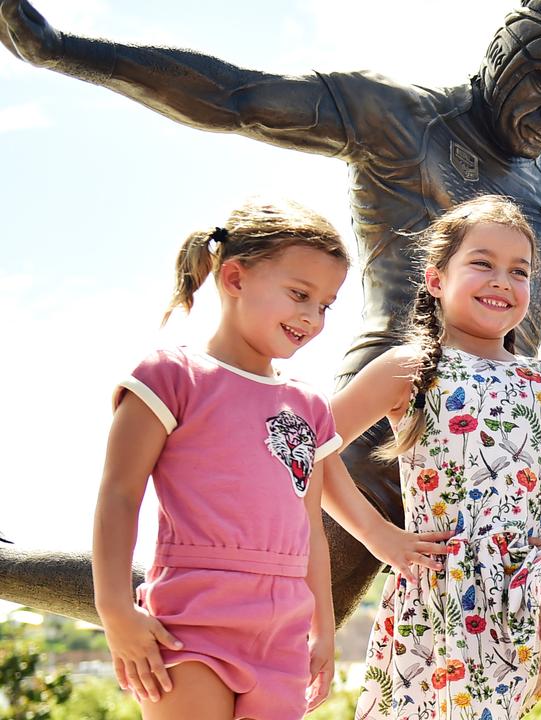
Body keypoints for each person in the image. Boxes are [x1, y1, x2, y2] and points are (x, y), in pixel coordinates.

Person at [0, 0, 541, 623]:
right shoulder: (399, 119)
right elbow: (237, 96)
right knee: (234, 599)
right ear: (502, 55)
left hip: (495, 463)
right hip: (380, 432)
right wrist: (59, 50)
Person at [91, 199, 435, 719]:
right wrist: (115, 610)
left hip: (283, 637)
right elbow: (119, 494)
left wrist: (322, 628)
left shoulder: (309, 407)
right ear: (234, 278)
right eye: (299, 294)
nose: (311, 317)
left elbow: (310, 529)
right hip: (190, 625)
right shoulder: (170, 376)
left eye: (325, 304)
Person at [325, 195, 541, 719]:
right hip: (437, 585)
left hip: (520, 583)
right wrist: (378, 535)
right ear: (435, 279)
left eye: (520, 271)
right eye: (482, 263)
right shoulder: (412, 367)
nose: (503, 280)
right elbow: (311, 444)